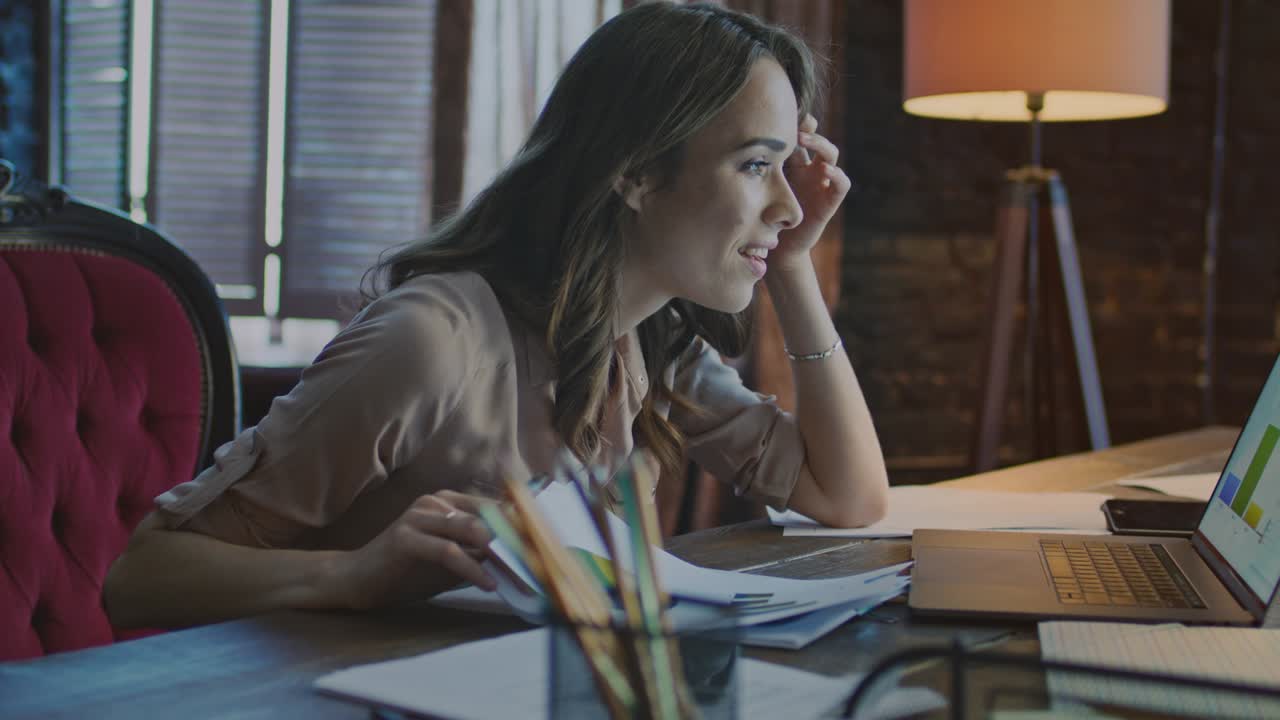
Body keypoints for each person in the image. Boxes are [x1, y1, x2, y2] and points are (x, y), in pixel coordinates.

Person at [104, 1, 888, 629]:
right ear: (637, 174)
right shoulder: (430, 343)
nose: (789, 204)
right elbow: (142, 578)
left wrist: (790, 267)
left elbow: (847, 497)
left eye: (787, 165)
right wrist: (353, 572)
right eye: (756, 165)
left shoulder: (651, 335)